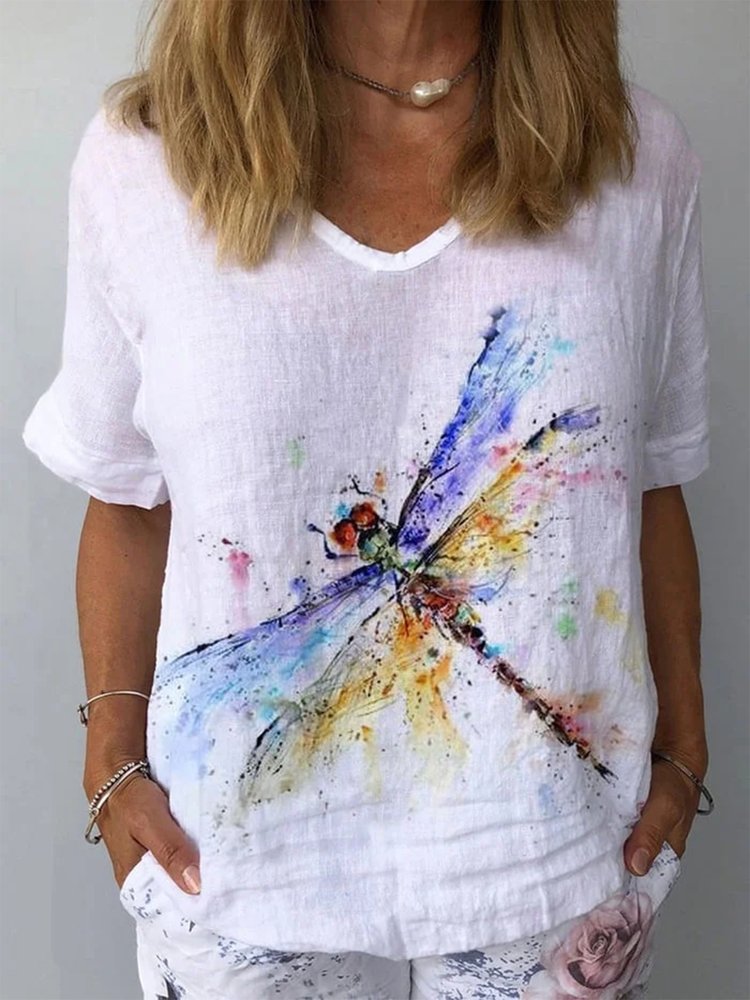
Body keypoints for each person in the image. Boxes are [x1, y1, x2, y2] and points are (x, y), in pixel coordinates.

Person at [22, 0, 715, 996]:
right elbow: (130, 498)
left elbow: (645, 478)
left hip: (559, 854)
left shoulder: (635, 156)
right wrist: (111, 762)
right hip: (237, 869)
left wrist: (685, 752)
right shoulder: (144, 161)